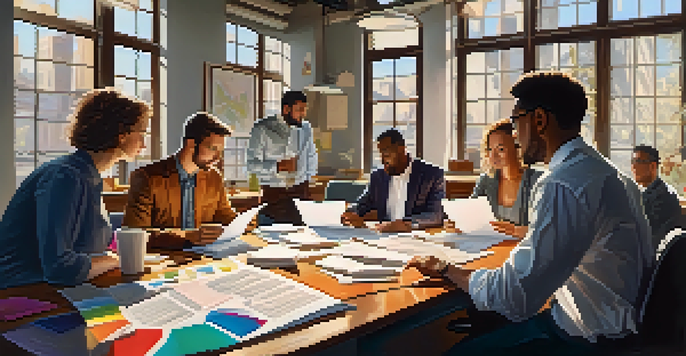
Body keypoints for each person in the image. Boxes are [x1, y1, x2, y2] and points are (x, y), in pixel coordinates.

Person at [407, 72, 653, 354]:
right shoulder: (608, 173)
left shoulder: (563, 183)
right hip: (610, 324)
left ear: (539, 120)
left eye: (515, 121)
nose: (514, 134)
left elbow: (516, 297)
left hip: (585, 338)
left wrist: (446, 268)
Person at [0, 89, 149, 288]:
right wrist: (115, 260)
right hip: (23, 295)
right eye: (142, 132)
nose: (144, 144)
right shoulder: (65, 177)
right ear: (122, 134)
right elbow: (60, 268)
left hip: (54, 290)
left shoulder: (87, 176)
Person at [123, 112, 236, 249]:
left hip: (204, 259)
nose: (218, 157)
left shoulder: (214, 177)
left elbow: (226, 216)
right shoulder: (146, 177)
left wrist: (245, 221)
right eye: (212, 148)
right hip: (164, 260)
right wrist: (188, 236)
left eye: (220, 151)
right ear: (191, 144)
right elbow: (135, 234)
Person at [341, 129, 446, 233]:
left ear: (401, 150)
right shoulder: (378, 177)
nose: (382, 161)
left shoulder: (431, 175)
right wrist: (350, 214)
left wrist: (406, 224)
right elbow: (362, 205)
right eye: (380, 155)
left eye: (386, 155)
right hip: (382, 238)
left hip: (416, 238)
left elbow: (436, 215)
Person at [247, 91, 318, 226]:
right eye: (299, 110)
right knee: (270, 242)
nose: (303, 114)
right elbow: (251, 164)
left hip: (301, 195)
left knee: (303, 240)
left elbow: (311, 156)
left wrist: (310, 181)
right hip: (274, 197)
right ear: (286, 109)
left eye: (304, 110)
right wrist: (277, 166)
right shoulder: (262, 128)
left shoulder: (306, 128)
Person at [472, 119, 543, 230]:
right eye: (490, 149)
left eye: (500, 149)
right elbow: (471, 217)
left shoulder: (538, 180)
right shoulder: (485, 180)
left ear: (517, 148)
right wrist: (458, 225)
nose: (493, 156)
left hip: (525, 246)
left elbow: (545, 228)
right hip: (493, 246)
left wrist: (515, 230)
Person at [631, 144, 684, 249]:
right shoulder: (644, 191)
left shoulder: (663, 196)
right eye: (633, 162)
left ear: (652, 166)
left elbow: (651, 236)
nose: (634, 167)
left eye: (639, 161)